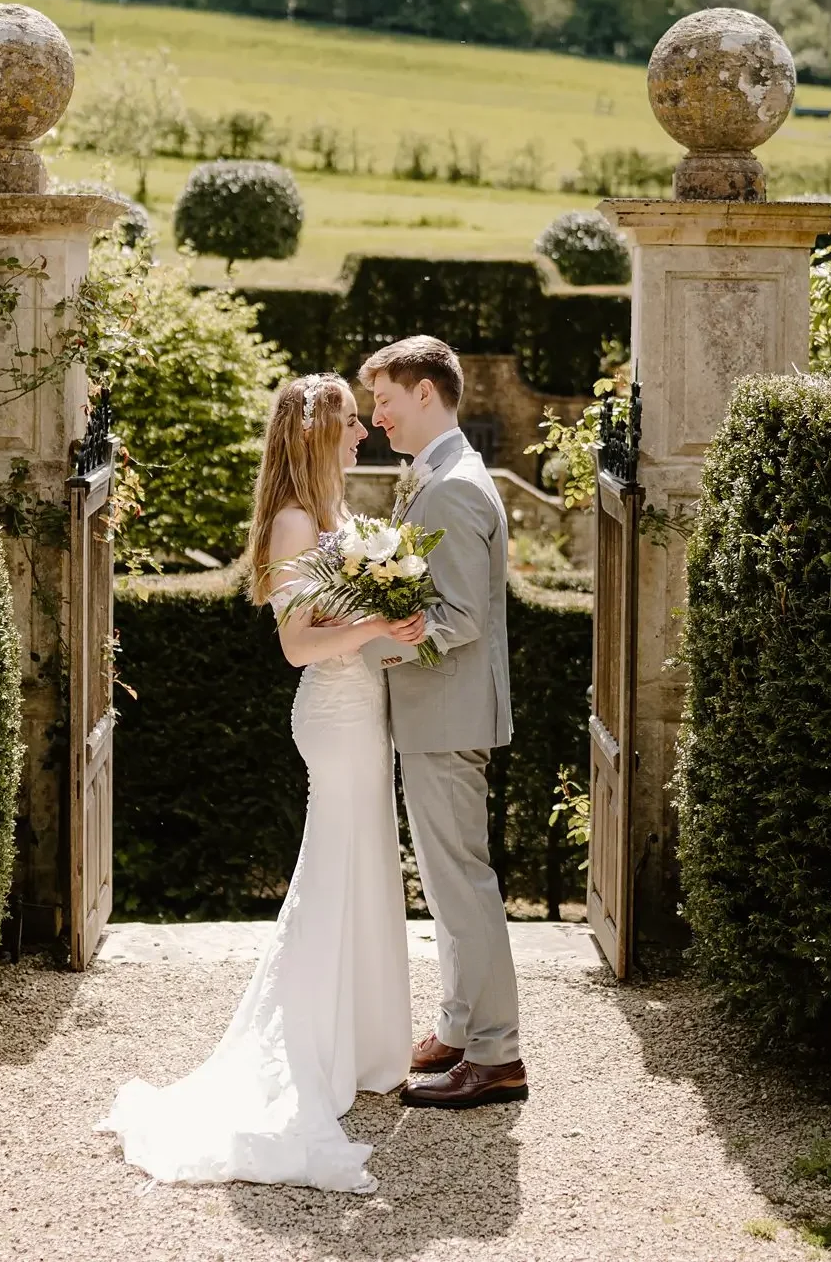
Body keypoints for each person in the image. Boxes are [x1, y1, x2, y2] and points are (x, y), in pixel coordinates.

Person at [98, 374, 426, 1193]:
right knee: (331, 874)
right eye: (351, 423)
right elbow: (297, 646)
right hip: (334, 717)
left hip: (364, 710)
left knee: (362, 872)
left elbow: (342, 626)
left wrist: (393, 625)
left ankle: (359, 1046)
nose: (361, 434)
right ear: (319, 432)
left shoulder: (333, 516)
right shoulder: (292, 521)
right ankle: (315, 1052)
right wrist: (379, 623)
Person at [357, 335, 527, 1110]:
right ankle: (460, 1027)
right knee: (451, 884)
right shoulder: (443, 476)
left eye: (386, 400)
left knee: (463, 886)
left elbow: (456, 616)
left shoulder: (454, 487)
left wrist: (374, 637)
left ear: (427, 392)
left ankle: (496, 1054)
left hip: (446, 712)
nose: (377, 416)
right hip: (438, 713)